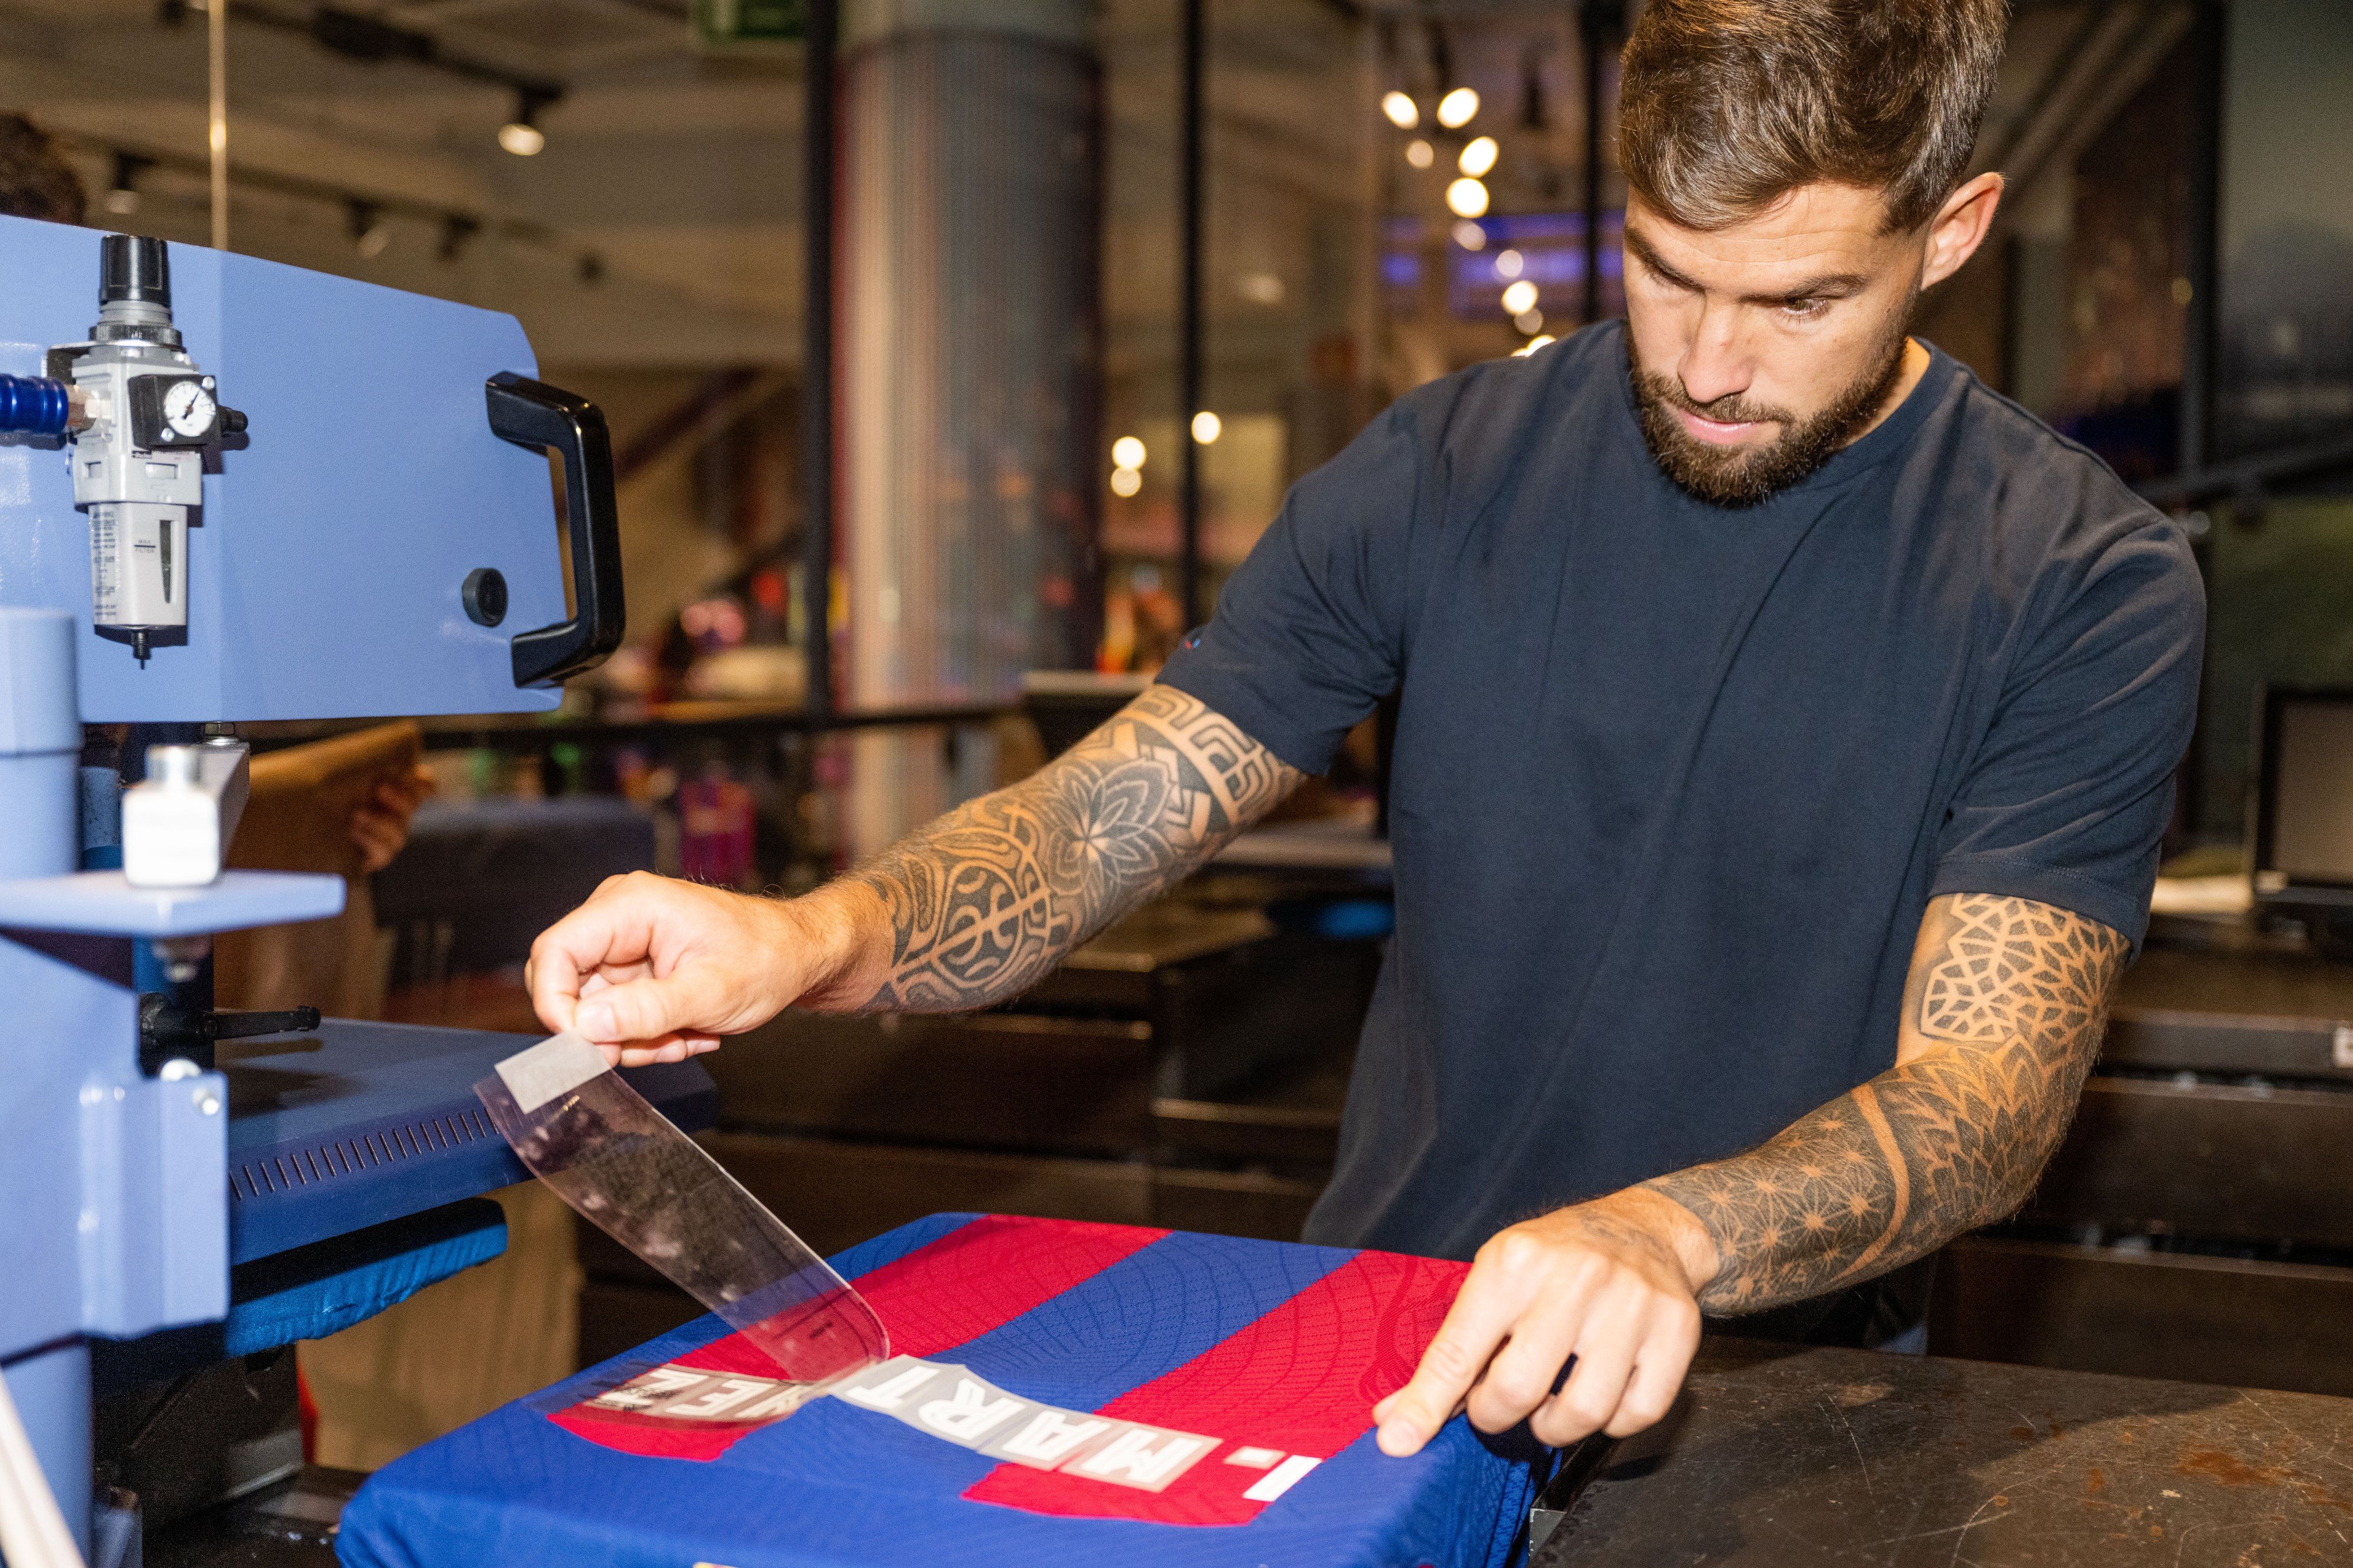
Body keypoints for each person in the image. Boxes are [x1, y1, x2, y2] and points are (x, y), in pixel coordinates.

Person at [529, 0, 2204, 1458]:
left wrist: (1669, 1235)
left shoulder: (2077, 578)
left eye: (1796, 302)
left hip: (1781, 1403)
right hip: (1386, 1343)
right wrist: (814, 939)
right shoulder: (1449, 467)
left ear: (1954, 230)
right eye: (1662, 269)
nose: (1706, 364)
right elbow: (1114, 811)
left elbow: (1987, 1090)